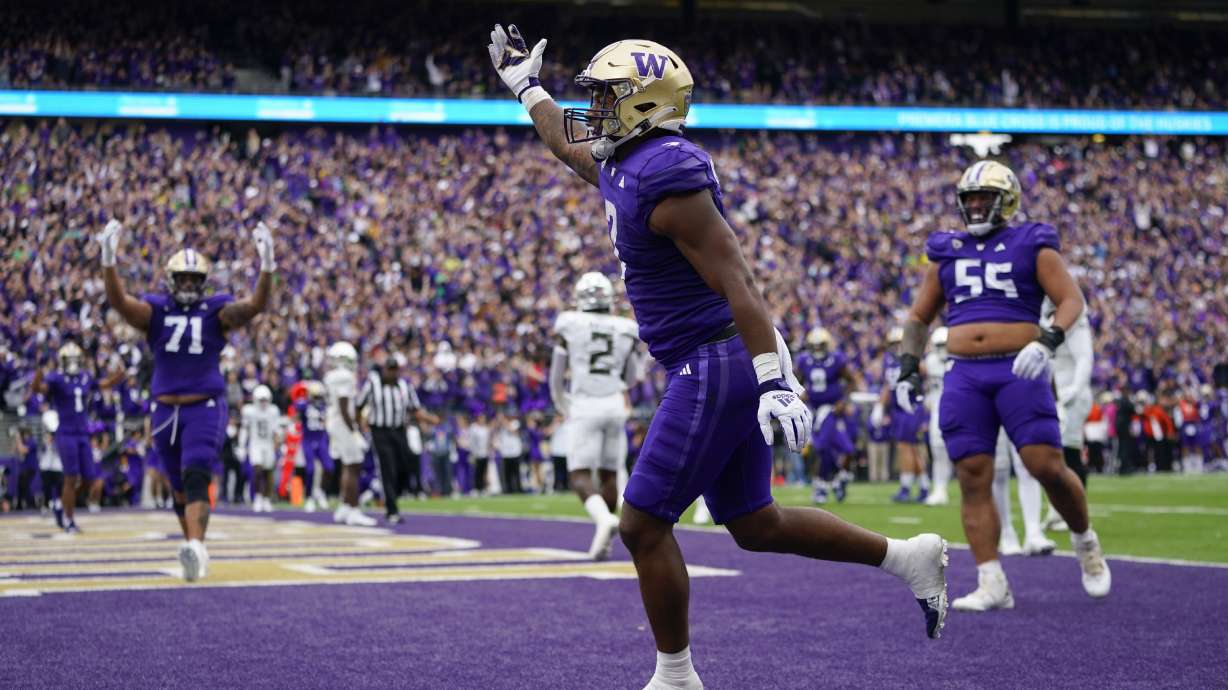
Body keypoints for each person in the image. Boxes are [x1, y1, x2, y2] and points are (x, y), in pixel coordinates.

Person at [488, 26, 949, 689]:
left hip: (717, 356)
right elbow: (568, 145)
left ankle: (676, 677)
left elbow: (740, 282)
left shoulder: (668, 173)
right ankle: (909, 558)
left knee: (642, 524)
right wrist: (524, 85)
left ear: (645, 104)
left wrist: (773, 381)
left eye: (605, 96)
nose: (590, 110)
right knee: (755, 523)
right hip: (709, 354)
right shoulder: (628, 160)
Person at [894, 159, 1110, 612]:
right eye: (968, 198)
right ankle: (992, 579)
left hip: (1020, 368)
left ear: (1006, 200)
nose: (974, 205)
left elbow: (1072, 299)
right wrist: (908, 366)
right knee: (973, 476)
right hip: (965, 374)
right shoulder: (947, 249)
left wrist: (1048, 341)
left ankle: (1084, 540)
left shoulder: (1032, 242)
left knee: (1045, 465)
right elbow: (918, 317)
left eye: (983, 197)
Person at [99, 218, 275, 582]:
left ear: (205, 282)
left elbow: (255, 305)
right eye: (184, 279)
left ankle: (195, 545)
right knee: (178, 485)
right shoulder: (155, 311)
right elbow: (119, 302)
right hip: (164, 408)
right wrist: (108, 261)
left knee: (196, 474)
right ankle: (194, 549)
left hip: (203, 405)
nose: (190, 285)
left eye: (196, 279)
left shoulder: (217, 311)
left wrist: (268, 265)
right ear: (172, 280)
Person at [550, 271, 642, 559]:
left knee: (579, 474)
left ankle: (604, 520)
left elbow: (556, 376)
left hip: (585, 404)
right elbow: (631, 377)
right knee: (609, 473)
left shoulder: (570, 323)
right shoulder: (624, 328)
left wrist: (562, 404)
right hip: (614, 404)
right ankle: (606, 540)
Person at [31, 342, 122, 532]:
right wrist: (38, 371)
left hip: (83, 433)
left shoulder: (85, 377)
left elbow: (103, 384)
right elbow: (38, 388)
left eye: (75, 359)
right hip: (66, 432)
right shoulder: (56, 378)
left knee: (89, 478)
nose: (73, 363)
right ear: (62, 361)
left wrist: (118, 376)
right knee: (71, 477)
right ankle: (68, 519)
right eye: (69, 359)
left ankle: (60, 505)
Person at [357, 354, 439, 523]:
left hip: (399, 431)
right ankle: (391, 510)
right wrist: (360, 425)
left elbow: (415, 409)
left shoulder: (404, 386)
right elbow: (359, 405)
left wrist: (430, 419)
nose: (392, 373)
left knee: (406, 465)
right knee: (388, 468)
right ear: (384, 369)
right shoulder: (373, 383)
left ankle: (394, 495)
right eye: (390, 369)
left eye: (395, 370)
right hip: (380, 431)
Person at [1039, 295, 1094, 530]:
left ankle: (1074, 512)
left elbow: (1084, 358)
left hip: (1071, 396)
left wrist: (1073, 390)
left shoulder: (1076, 324)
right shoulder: (1045, 322)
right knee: (1051, 456)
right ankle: (1056, 510)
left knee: (1069, 455)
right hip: (1054, 394)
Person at [796, 327, 862, 504]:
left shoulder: (836, 359)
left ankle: (836, 480)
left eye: (820, 346)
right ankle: (823, 485)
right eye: (814, 346)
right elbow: (796, 382)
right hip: (814, 410)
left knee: (844, 450)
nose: (817, 349)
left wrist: (844, 401)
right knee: (825, 448)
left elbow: (852, 381)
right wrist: (800, 395)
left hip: (832, 410)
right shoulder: (804, 361)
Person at [873, 327, 930, 503]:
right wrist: (880, 407)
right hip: (897, 409)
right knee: (909, 448)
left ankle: (907, 487)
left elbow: (924, 372)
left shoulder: (911, 357)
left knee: (906, 447)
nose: (896, 346)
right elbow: (887, 386)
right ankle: (923, 486)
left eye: (899, 343)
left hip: (912, 406)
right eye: (894, 343)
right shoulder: (888, 361)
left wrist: (911, 357)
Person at [323, 342, 376, 526]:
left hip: (335, 422)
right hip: (343, 423)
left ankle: (345, 506)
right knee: (354, 465)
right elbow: (345, 406)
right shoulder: (345, 376)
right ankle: (353, 509)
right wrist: (354, 430)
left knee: (347, 465)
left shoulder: (331, 376)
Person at [239, 385, 283, 513]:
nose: (263, 403)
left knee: (268, 472)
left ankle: (266, 499)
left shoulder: (273, 411)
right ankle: (258, 497)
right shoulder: (249, 411)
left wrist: (278, 445)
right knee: (257, 470)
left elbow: (277, 430)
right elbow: (244, 429)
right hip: (255, 444)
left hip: (268, 444)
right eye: (261, 400)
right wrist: (242, 446)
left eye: (265, 400)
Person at [923, 328, 952, 505]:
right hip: (937, 410)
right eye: (939, 345)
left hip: (958, 408)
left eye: (944, 345)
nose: (942, 349)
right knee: (937, 449)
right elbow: (930, 385)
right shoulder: (931, 361)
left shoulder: (958, 359)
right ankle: (940, 489)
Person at [295, 381, 334, 511]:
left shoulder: (324, 406)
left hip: (321, 439)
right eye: (315, 396)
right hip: (308, 439)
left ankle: (320, 492)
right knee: (310, 469)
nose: (318, 399)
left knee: (329, 468)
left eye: (319, 396)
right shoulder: (304, 405)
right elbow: (297, 407)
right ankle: (309, 497)